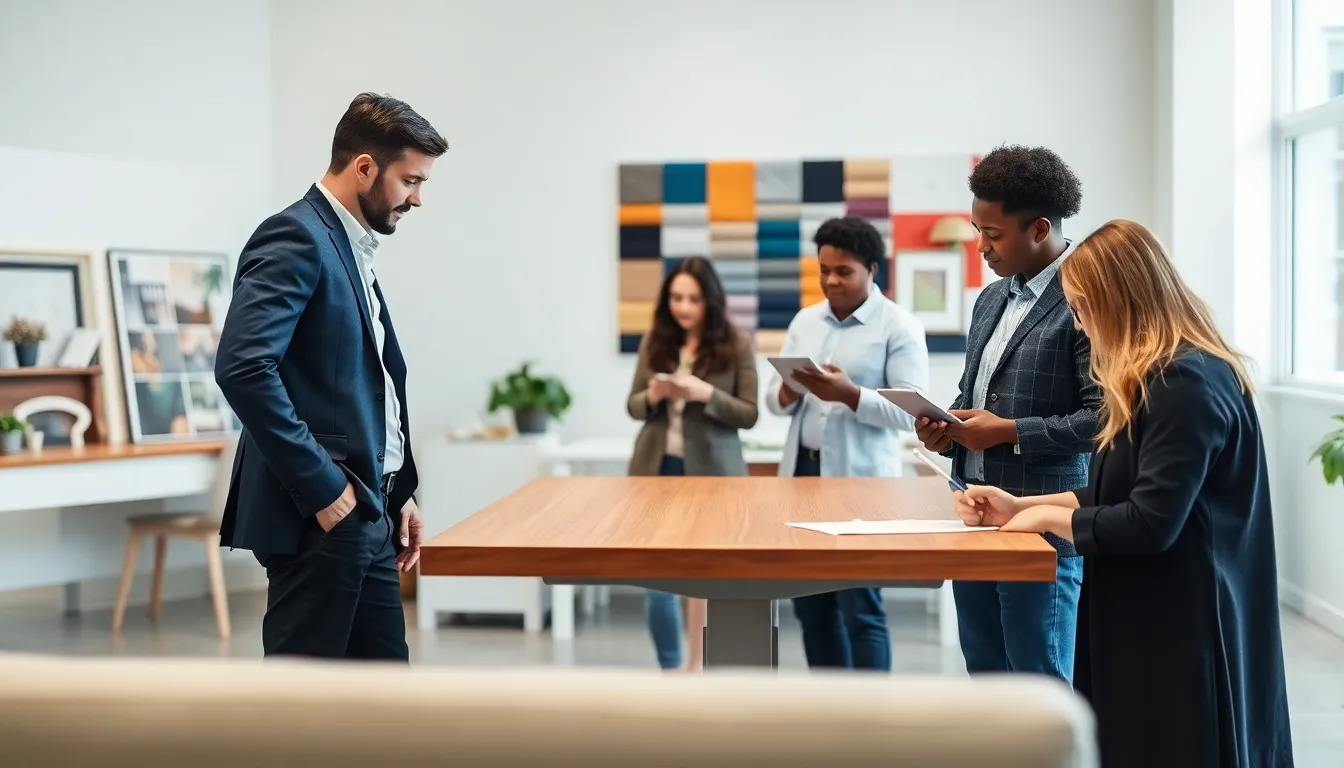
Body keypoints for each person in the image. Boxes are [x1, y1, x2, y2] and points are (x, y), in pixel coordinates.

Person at [954, 220, 1294, 767]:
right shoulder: (1152, 376)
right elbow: (1116, 489)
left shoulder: (1185, 382)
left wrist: (1043, 520)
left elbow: (1148, 521)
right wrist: (1022, 506)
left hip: (1183, 619)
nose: (1082, 329)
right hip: (1150, 608)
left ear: (1122, 302)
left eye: (1084, 311)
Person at [215, 92, 448, 661]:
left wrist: (397, 489)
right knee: (301, 715)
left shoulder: (350, 243)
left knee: (382, 704)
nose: (418, 199)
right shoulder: (296, 236)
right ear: (364, 167)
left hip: (368, 511)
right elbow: (244, 367)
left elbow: (368, 386)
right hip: (322, 517)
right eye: (410, 181)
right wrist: (325, 490)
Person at [915, 145, 1100, 682]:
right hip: (973, 515)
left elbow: (1105, 418)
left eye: (992, 235)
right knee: (990, 686)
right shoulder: (991, 299)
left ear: (1040, 228)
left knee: (1040, 687)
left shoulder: (1085, 300)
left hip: (1040, 528)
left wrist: (1010, 433)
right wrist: (946, 428)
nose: (980, 247)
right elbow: (973, 394)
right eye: (977, 230)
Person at [765, 216, 930, 671]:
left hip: (862, 484)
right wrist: (788, 388)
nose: (831, 281)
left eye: (843, 271)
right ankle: (830, 712)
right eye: (824, 270)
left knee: (861, 607)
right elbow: (775, 404)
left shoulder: (898, 326)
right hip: (802, 475)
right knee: (810, 606)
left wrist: (850, 394)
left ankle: (871, 723)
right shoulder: (805, 320)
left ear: (872, 270)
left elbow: (911, 411)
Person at [627, 256, 759, 672]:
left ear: (711, 301)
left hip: (713, 478)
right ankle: (671, 672)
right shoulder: (656, 340)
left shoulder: (736, 343)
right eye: (676, 298)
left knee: (703, 580)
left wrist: (704, 394)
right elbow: (632, 406)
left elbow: (749, 414)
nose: (683, 307)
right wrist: (653, 395)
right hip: (657, 470)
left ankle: (697, 669)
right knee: (657, 582)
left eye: (694, 299)